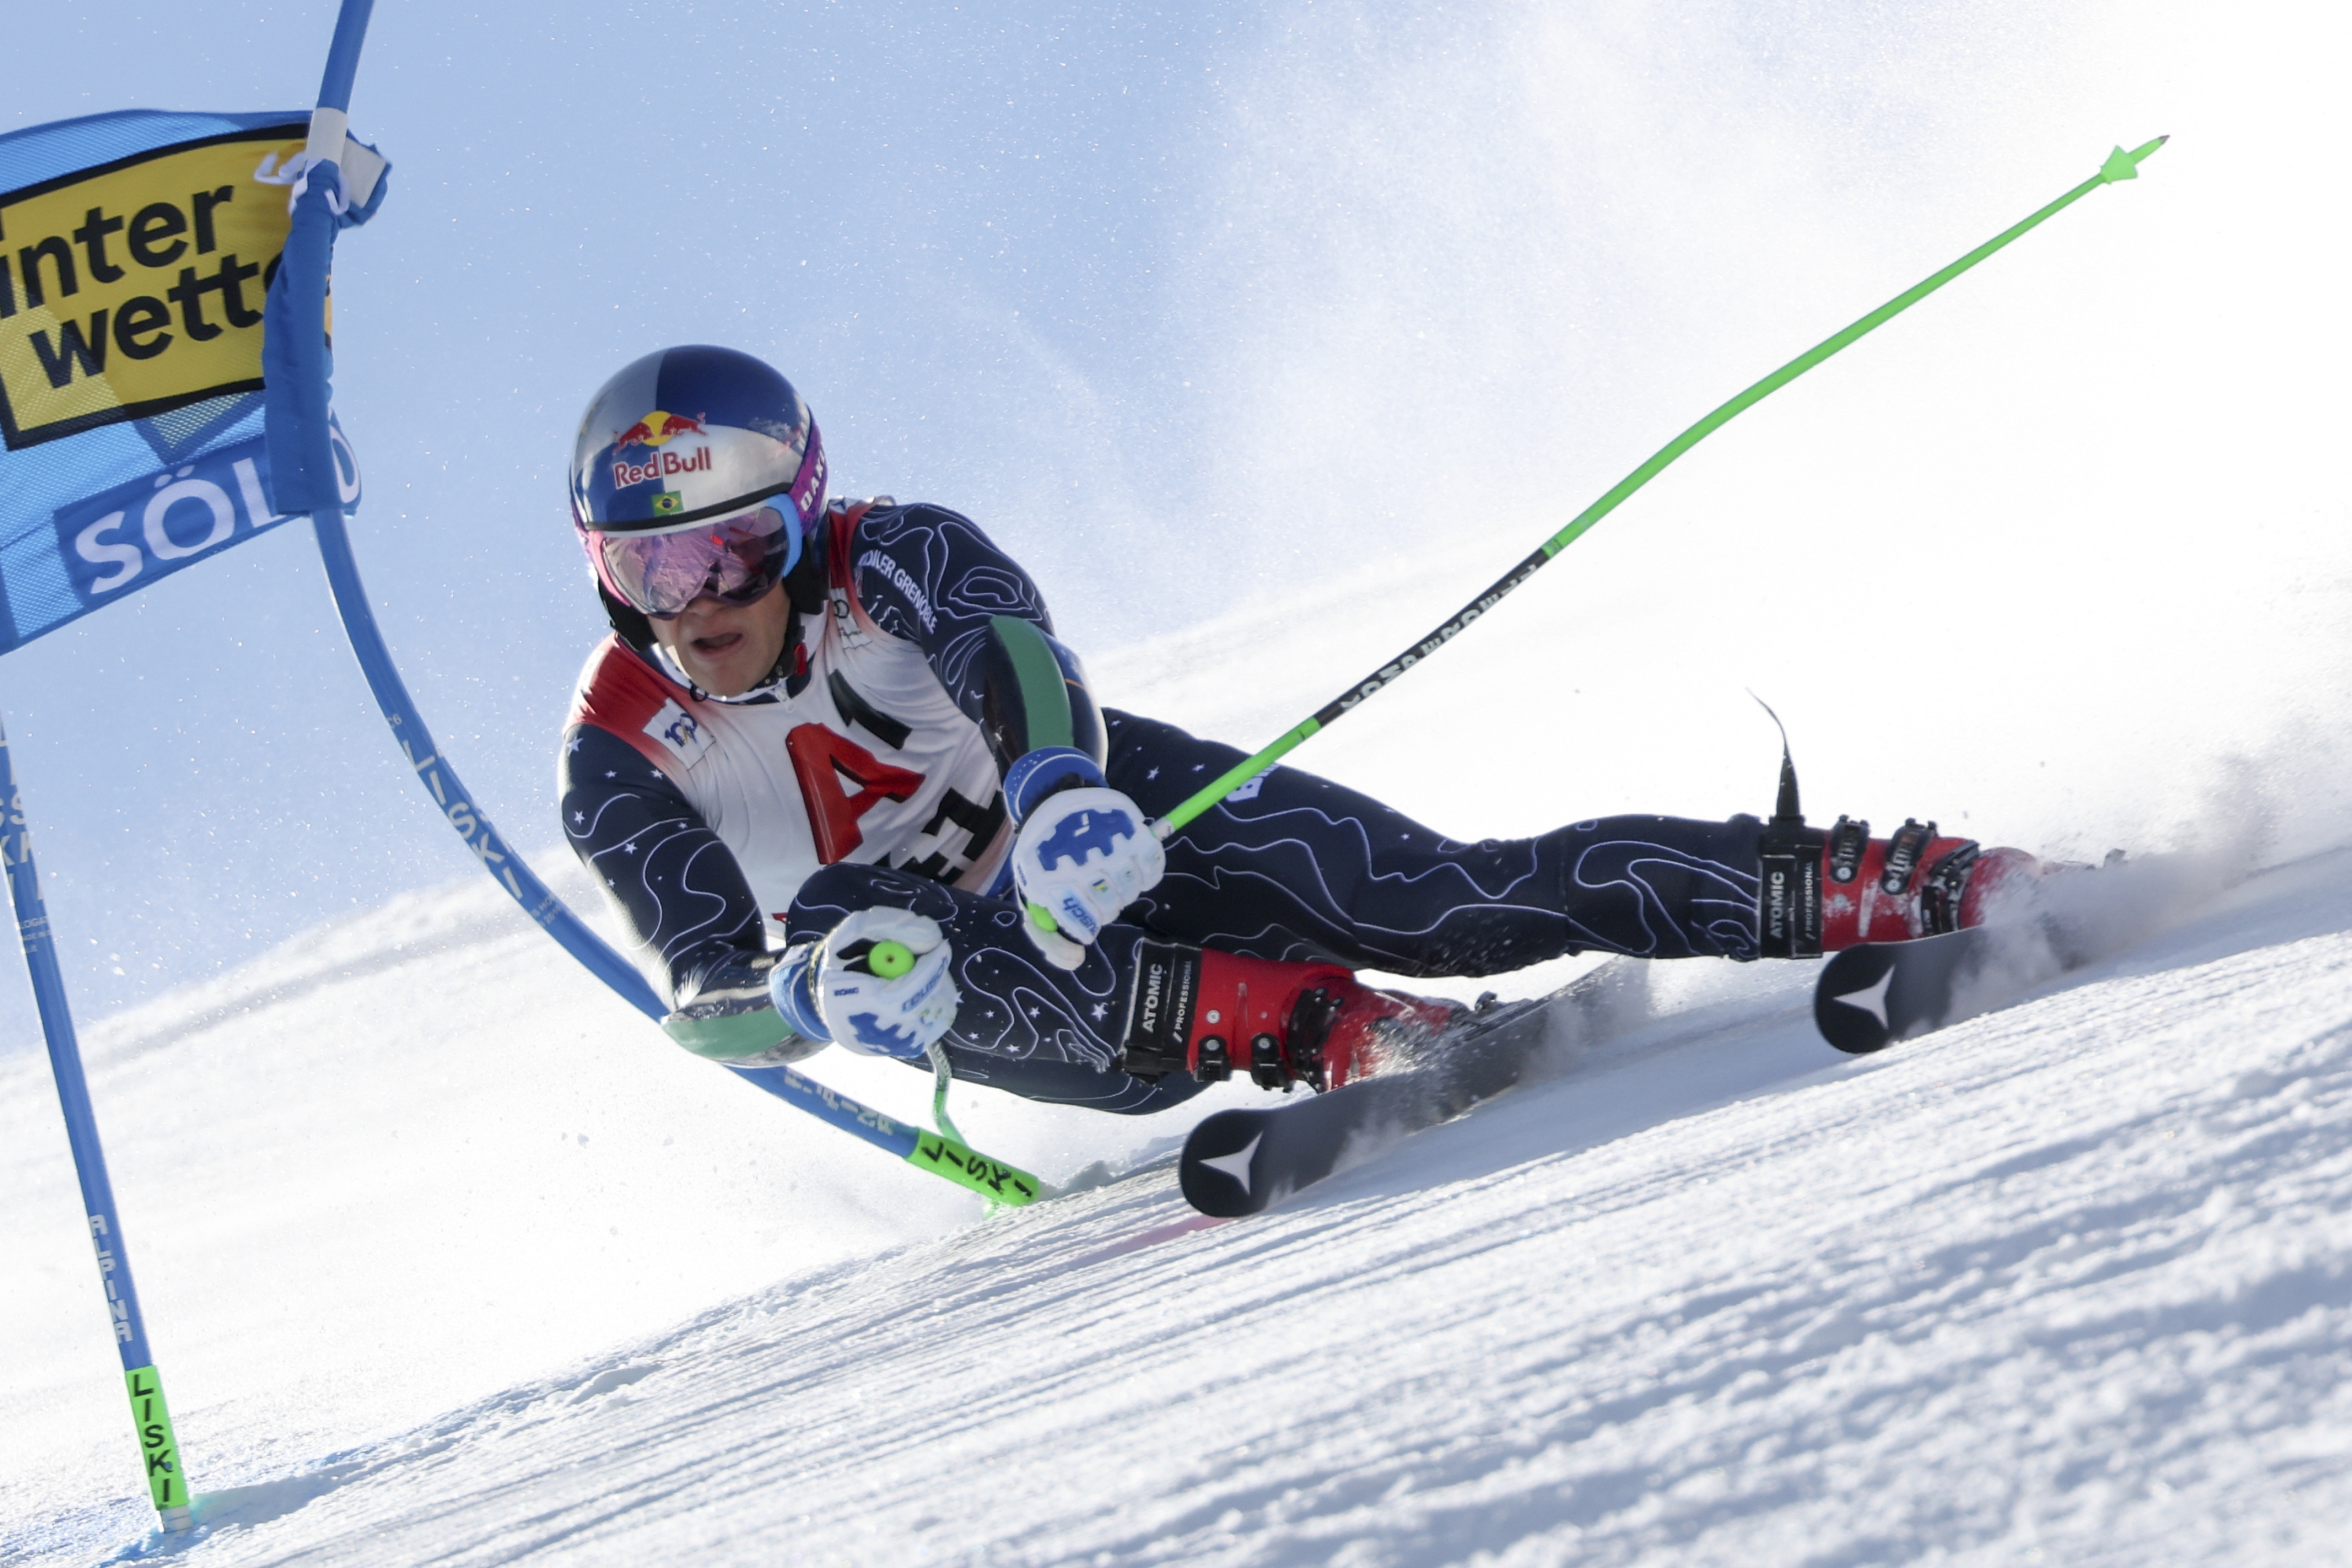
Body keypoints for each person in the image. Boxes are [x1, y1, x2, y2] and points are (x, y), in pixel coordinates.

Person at [559, 345, 2039, 1115]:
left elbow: (1008, 647)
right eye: (652, 569)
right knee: (858, 922)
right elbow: (703, 995)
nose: (700, 603)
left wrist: (1065, 786)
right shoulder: (622, 750)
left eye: (733, 549)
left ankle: (1896, 883)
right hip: (1009, 990)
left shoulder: (896, 554)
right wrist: (807, 1001)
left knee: (1448, 899)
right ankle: (1337, 1030)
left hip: (1111, 831)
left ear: (803, 514)